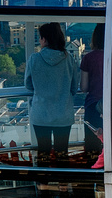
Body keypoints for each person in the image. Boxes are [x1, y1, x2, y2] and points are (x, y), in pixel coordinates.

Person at [25, 22, 77, 162]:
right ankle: (63, 183)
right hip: (63, 114)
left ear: (45, 39)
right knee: (62, 153)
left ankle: (44, 183)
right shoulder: (69, 59)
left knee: (43, 154)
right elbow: (74, 87)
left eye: (41, 37)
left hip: (41, 113)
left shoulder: (34, 59)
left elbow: (28, 85)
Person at [79, 24, 105, 163]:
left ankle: (93, 179)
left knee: (92, 149)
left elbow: (83, 87)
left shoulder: (88, 58)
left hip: (93, 106)